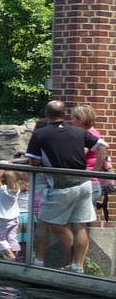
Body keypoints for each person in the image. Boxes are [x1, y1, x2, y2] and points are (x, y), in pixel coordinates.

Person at [25, 99, 100, 272]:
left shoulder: (40, 134)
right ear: (64, 114)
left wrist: (41, 163)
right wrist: (94, 172)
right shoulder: (79, 132)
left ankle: (38, 262)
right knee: (79, 225)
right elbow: (103, 146)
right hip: (84, 183)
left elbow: (34, 161)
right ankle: (77, 266)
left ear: (46, 115)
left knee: (44, 222)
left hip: (61, 185)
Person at [71, 103, 112, 223]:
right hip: (89, 183)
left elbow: (79, 153)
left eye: (73, 118)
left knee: (77, 223)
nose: (71, 121)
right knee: (80, 223)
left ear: (80, 120)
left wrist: (93, 172)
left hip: (87, 183)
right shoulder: (92, 133)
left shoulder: (89, 135)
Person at [0, 166, 30, 261]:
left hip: (2, 218)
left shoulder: (2, 190)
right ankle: (16, 255)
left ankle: (11, 256)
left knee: (0, 238)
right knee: (12, 238)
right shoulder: (17, 190)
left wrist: (1, 168)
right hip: (14, 218)